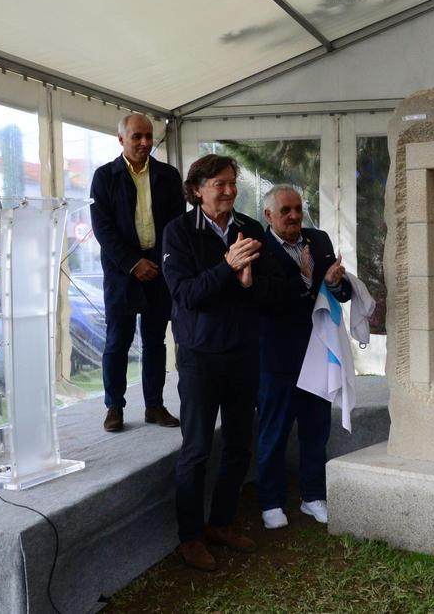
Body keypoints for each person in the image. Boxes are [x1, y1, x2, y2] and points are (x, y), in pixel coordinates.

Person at [161, 154, 283, 571]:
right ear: (197, 189)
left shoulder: (249, 229)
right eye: (219, 183)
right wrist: (228, 268)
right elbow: (186, 295)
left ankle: (221, 523)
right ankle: (190, 537)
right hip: (199, 358)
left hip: (244, 353)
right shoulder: (178, 232)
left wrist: (249, 283)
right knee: (196, 449)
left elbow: (267, 290)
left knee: (237, 444)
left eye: (232, 182)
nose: (229, 190)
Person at [255, 184, 350, 529]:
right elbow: (263, 298)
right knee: (273, 432)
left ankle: (313, 497)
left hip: (316, 353)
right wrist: (309, 280)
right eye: (286, 211)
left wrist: (336, 282)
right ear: (269, 216)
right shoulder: (258, 247)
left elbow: (340, 291)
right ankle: (270, 502)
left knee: (316, 429)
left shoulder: (318, 239)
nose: (294, 216)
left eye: (298, 208)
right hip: (276, 358)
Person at [89, 113, 184, 432]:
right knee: (117, 341)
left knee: (155, 342)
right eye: (137, 137)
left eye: (149, 136)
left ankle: (154, 406)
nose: (145, 143)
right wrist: (133, 263)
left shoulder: (169, 176)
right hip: (122, 273)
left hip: (159, 270)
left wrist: (156, 262)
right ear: (121, 140)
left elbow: (175, 223)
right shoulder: (105, 176)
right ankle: (114, 406)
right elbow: (102, 228)